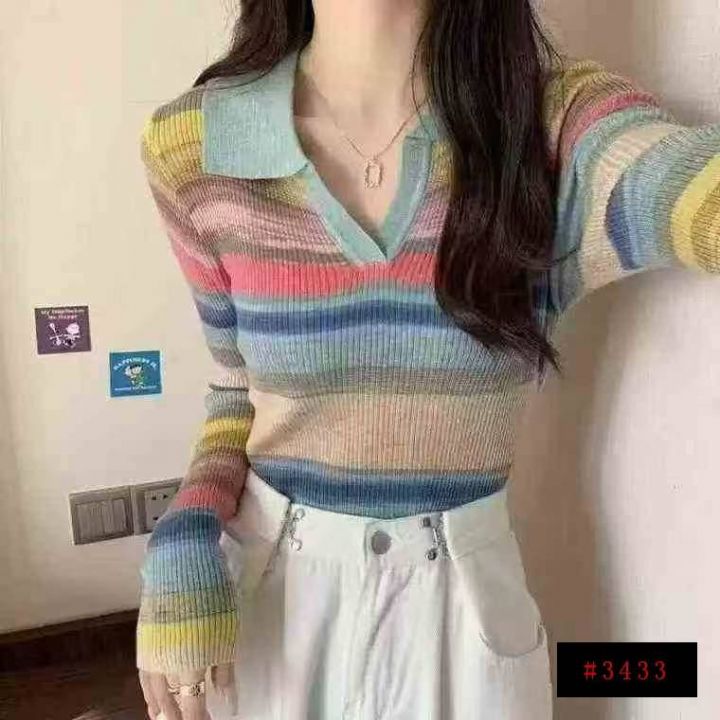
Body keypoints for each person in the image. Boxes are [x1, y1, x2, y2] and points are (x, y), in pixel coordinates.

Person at [134, 1, 720, 718]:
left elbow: (693, 196)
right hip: (271, 609)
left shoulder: (548, 126)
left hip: (464, 623)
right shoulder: (195, 145)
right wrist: (186, 530)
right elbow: (236, 389)